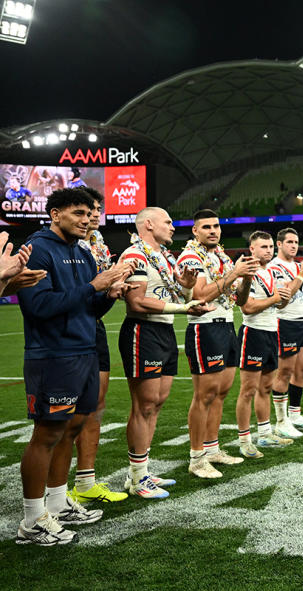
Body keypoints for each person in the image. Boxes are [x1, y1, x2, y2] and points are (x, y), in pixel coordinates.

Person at [17, 188, 132, 544]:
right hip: (53, 355)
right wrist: (93, 287)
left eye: (90, 213)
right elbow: (39, 306)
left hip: (84, 351)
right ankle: (32, 520)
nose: (86, 220)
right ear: (55, 214)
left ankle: (57, 502)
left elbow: (89, 309)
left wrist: (106, 296)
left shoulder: (81, 253)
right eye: (78, 213)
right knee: (48, 433)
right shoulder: (37, 249)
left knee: (72, 427)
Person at [119, 207, 214, 499]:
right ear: (148, 224)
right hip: (142, 331)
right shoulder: (134, 255)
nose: (173, 227)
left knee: (157, 402)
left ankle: (142, 471)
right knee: (144, 404)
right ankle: (136, 478)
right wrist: (184, 307)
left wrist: (186, 289)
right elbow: (137, 302)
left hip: (165, 330)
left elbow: (178, 294)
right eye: (168, 222)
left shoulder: (164, 257)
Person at [176, 210, 257, 478]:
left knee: (221, 392)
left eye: (217, 226)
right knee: (204, 395)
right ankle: (196, 457)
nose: (213, 231)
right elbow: (199, 295)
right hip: (204, 328)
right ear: (195, 232)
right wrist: (234, 273)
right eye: (206, 227)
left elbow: (241, 300)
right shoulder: (190, 256)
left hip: (226, 325)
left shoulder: (220, 257)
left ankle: (212, 449)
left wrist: (245, 279)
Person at [67, 188, 129, 502]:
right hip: (69, 332)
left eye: (96, 210)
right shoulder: (65, 245)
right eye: (86, 210)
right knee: (65, 416)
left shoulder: (97, 242)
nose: (93, 215)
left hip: (95, 325)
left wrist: (112, 289)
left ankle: (85, 482)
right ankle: (51, 495)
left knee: (95, 406)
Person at [235, 231, 294, 458]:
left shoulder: (268, 272)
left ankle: (265, 433)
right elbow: (247, 307)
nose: (268, 250)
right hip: (253, 334)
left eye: (270, 246)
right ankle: (244, 441)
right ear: (252, 249)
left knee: (266, 388)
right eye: (263, 247)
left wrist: (284, 297)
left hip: (271, 332)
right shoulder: (247, 273)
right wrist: (275, 298)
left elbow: (276, 305)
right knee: (248, 390)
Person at [268, 228, 303, 433]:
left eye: (296, 242)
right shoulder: (274, 267)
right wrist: (302, 272)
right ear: (279, 244)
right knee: (285, 372)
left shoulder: (300, 266)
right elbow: (284, 297)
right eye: (289, 241)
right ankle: (281, 422)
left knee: (302, 370)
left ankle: (295, 414)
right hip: (284, 322)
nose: (294, 245)